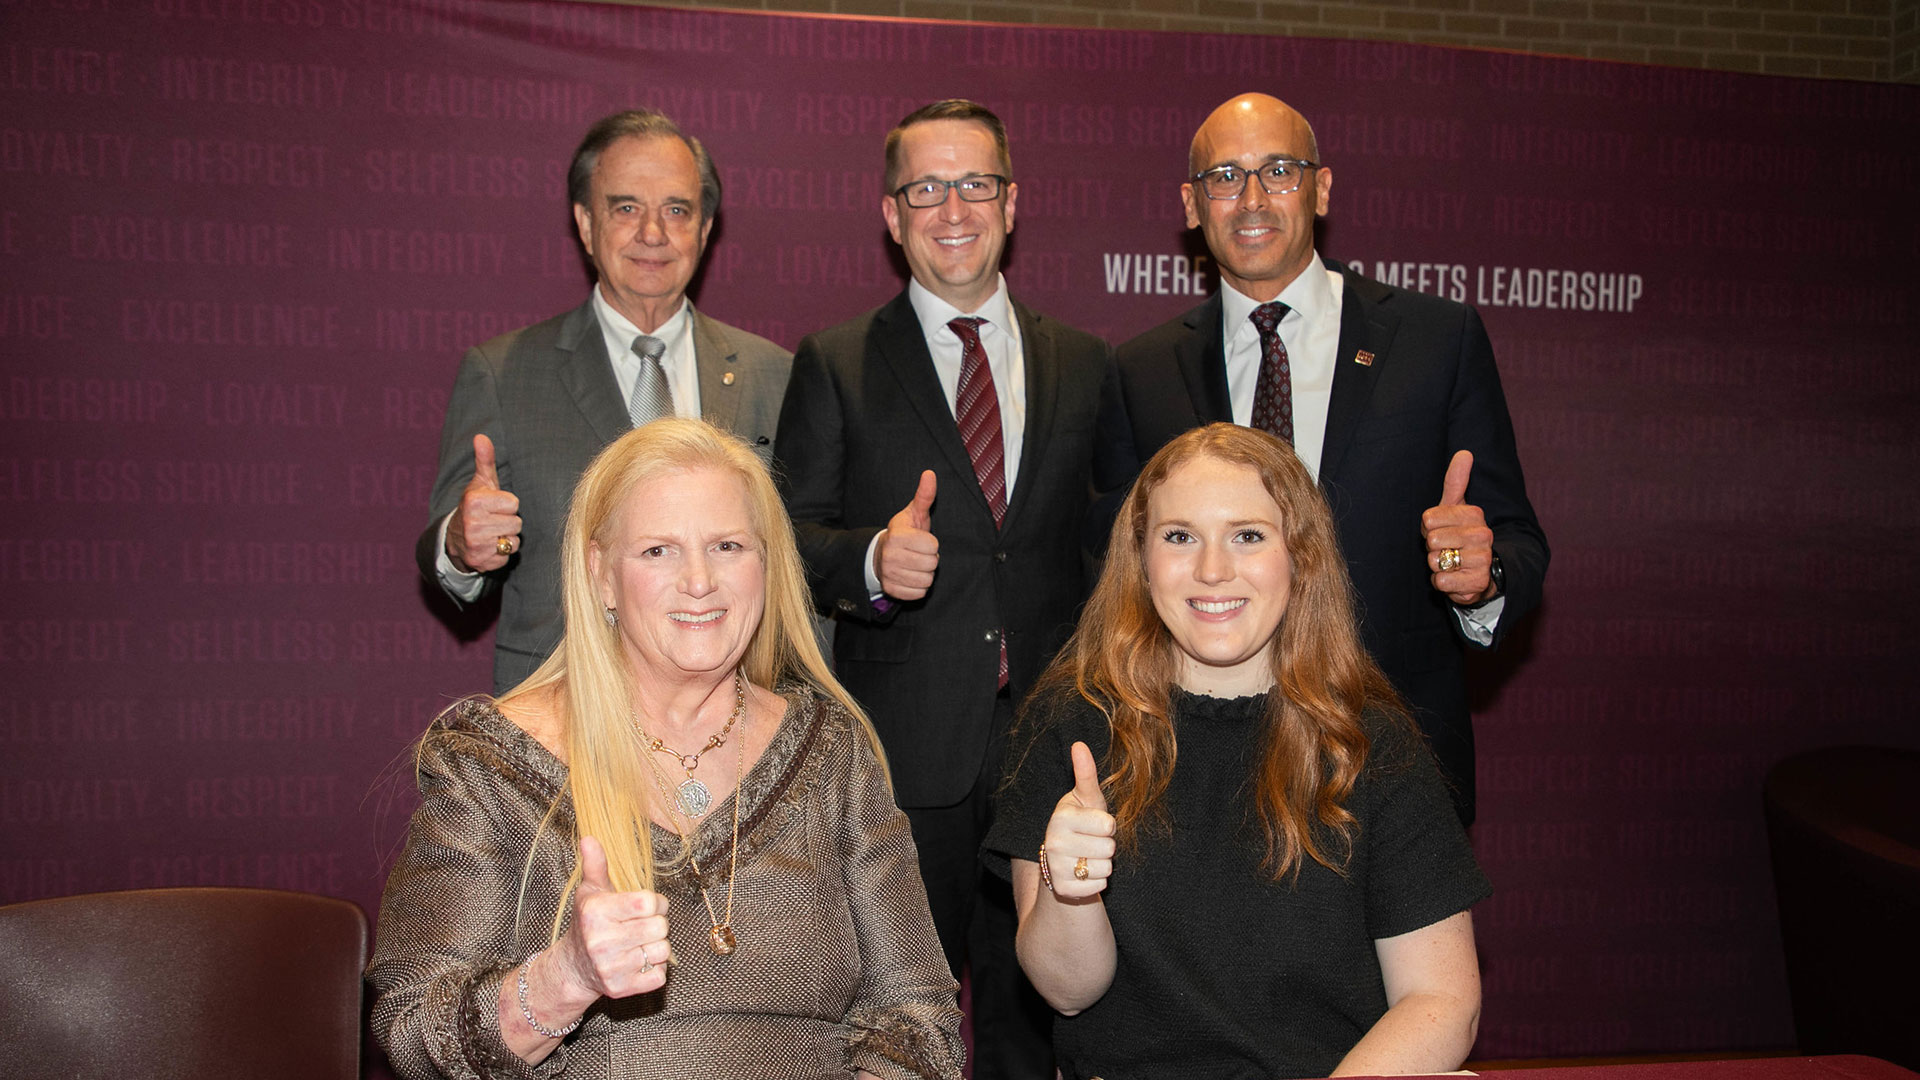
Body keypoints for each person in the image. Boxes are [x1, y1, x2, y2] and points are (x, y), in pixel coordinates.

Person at [369, 418, 963, 1080]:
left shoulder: (832, 752)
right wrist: (565, 977)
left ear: (766, 564)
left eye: (728, 545)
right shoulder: (492, 762)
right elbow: (414, 1034)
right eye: (658, 551)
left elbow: (919, 1021)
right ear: (600, 576)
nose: (701, 581)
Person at [773, 100, 1129, 1080]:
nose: (952, 207)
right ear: (891, 215)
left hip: (1054, 743)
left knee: (1033, 1019)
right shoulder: (838, 361)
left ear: (1013, 203)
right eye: (925, 188)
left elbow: (1110, 551)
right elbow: (787, 537)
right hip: (905, 750)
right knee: (902, 1016)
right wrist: (870, 569)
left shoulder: (1086, 363)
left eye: (975, 183)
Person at [985, 423, 1489, 1079]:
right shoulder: (1071, 721)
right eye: (1179, 537)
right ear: (1140, 557)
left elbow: (1441, 998)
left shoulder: (1374, 739)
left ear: (1300, 557)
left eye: (1247, 535)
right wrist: (1069, 891)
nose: (1212, 570)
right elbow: (1065, 991)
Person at [1110, 92, 1548, 825]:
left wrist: (1483, 578)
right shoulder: (1141, 370)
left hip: (1393, 763)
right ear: (1192, 205)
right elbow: (1117, 568)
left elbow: (1515, 539)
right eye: (1225, 177)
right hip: (1200, 780)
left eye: (1279, 170)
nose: (1252, 198)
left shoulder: (1436, 342)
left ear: (1322, 187)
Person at [419, 109, 793, 694]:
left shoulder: (775, 374)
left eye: (677, 210)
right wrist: (463, 547)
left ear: (705, 227)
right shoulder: (503, 372)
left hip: (735, 720)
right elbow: (450, 556)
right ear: (585, 223)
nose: (653, 233)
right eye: (626, 208)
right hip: (563, 715)